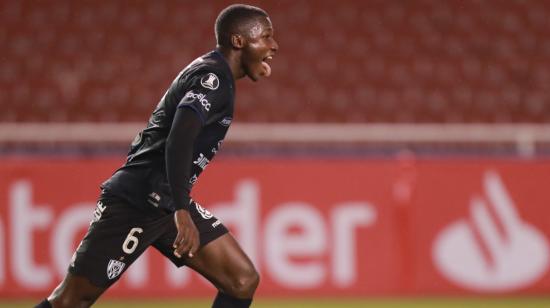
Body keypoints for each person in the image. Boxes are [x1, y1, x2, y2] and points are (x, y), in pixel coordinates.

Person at [35, 4, 278, 308]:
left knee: (241, 280)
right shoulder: (212, 80)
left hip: (163, 199)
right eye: (266, 37)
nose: (274, 45)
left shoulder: (216, 73)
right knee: (70, 301)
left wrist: (251, 65)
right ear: (239, 41)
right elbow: (179, 138)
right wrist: (181, 209)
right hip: (137, 199)